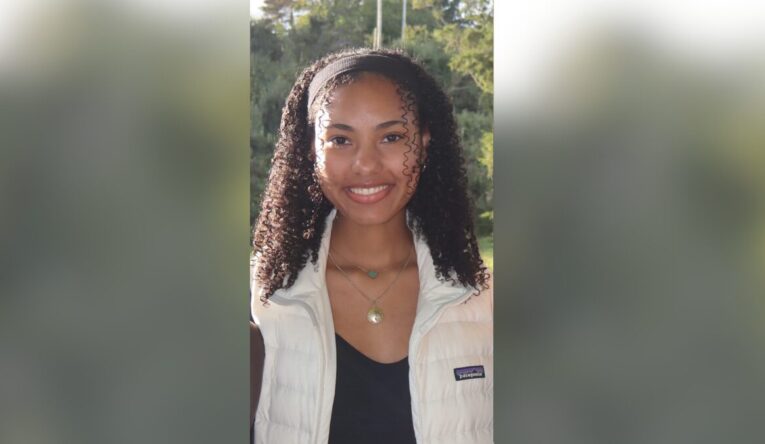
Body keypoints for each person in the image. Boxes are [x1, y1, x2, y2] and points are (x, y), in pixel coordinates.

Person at [250, 47, 493, 444]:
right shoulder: (263, 300)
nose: (366, 164)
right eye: (340, 139)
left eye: (392, 137)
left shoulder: (483, 302)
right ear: (311, 149)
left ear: (424, 143)